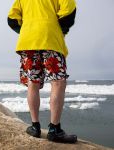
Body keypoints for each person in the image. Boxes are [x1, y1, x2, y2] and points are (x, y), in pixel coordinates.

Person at [7, 0, 77, 143]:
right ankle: (54, 130)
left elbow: (12, 19)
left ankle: (35, 127)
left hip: (28, 41)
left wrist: (29, 28)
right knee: (58, 82)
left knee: (33, 82)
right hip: (50, 38)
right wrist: (60, 29)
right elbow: (68, 12)